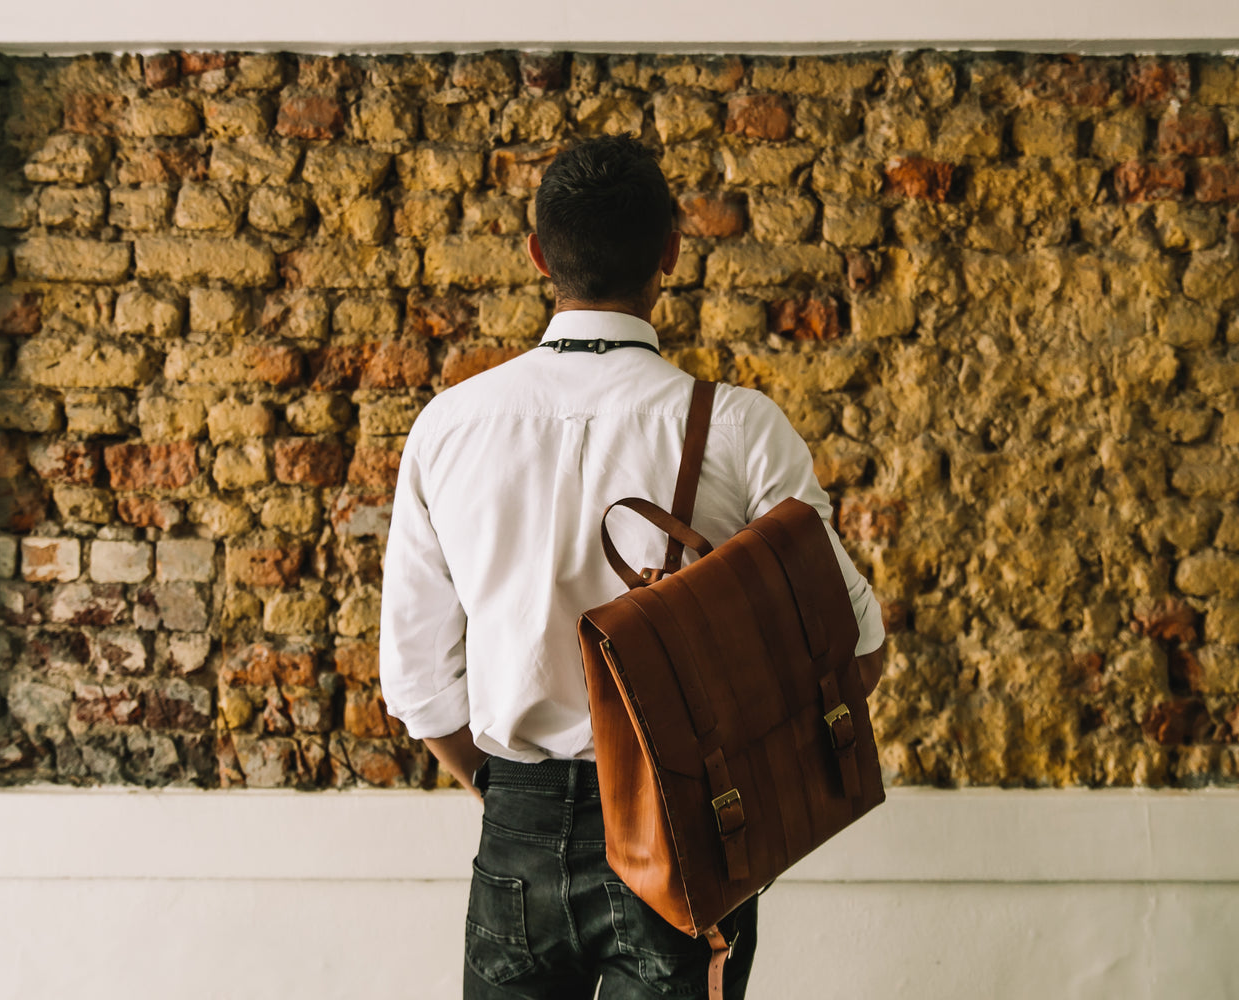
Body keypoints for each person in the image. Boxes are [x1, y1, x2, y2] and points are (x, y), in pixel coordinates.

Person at [378, 134, 886, 999]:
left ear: (539, 255)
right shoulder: (739, 428)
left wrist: (517, 803)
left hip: (518, 830)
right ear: (671, 255)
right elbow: (859, 643)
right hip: (686, 827)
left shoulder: (447, 428)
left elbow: (420, 688)